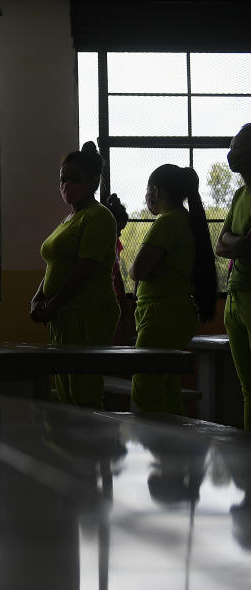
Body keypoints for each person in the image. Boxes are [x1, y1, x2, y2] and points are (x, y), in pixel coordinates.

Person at [31, 141, 119, 408]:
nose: (66, 185)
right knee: (65, 391)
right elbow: (54, 266)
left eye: (75, 179)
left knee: (84, 391)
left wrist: (52, 304)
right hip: (63, 315)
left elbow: (86, 268)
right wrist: (38, 299)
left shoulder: (99, 217)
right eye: (63, 179)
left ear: (94, 181)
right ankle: (67, 449)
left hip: (87, 313)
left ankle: (92, 448)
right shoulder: (69, 219)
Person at [130, 165, 217, 414]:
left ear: (155, 191)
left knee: (145, 389)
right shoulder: (186, 220)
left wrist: (147, 270)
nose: (147, 198)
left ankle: (160, 448)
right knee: (166, 388)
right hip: (173, 313)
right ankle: (173, 451)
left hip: (161, 314)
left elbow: (137, 270)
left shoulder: (167, 222)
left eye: (148, 192)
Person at [215, 122, 251, 429]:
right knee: (247, 389)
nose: (231, 154)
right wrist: (239, 244)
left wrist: (233, 244)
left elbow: (232, 243)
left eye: (238, 148)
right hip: (234, 298)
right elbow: (220, 244)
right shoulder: (240, 194)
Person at [104, 193, 135, 345]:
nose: (120, 234)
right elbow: (115, 277)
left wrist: (123, 304)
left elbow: (116, 277)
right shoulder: (103, 243)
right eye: (118, 230)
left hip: (112, 304)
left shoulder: (114, 243)